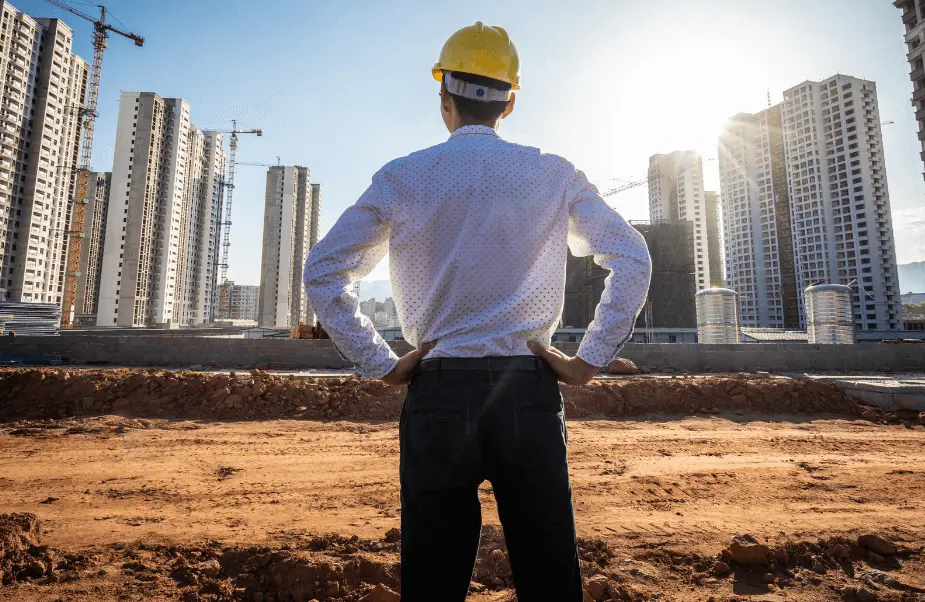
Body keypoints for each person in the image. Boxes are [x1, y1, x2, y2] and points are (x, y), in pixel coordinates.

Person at [303, 22, 651, 601]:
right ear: (510, 101)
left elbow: (322, 272)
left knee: (432, 582)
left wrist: (382, 363)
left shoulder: (403, 176)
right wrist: (588, 361)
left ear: (445, 97)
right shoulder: (553, 173)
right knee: (549, 579)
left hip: (438, 394)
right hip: (528, 394)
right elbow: (632, 258)